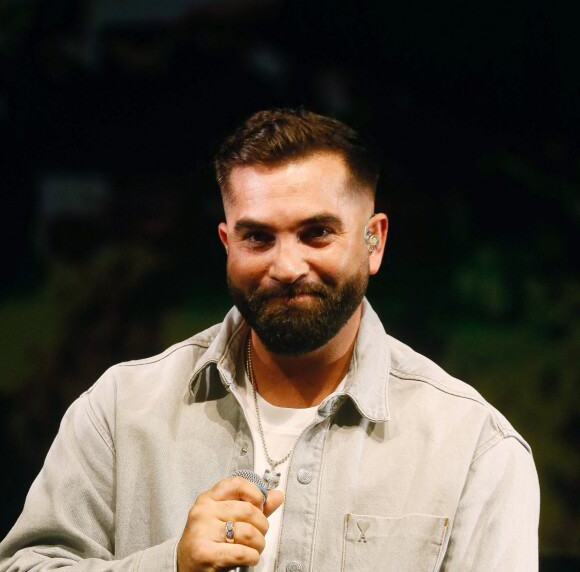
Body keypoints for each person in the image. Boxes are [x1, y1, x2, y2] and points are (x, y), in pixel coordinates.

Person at [0, 109, 539, 571]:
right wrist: (172, 565)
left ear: (374, 242)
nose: (286, 266)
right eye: (258, 237)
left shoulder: (474, 447)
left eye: (317, 233)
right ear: (227, 243)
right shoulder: (119, 411)